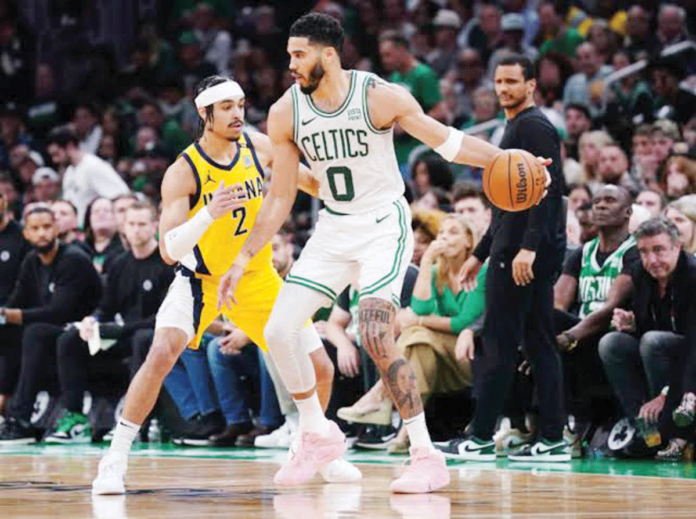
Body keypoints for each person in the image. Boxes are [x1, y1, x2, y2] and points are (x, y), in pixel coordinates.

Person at [217, 15, 545, 493]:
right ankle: (316, 433)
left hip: (381, 226)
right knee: (278, 328)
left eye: (298, 54)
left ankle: (425, 455)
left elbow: (448, 143)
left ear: (328, 55)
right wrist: (244, 257)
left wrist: (507, 161)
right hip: (332, 228)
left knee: (373, 330)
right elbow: (281, 195)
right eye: (289, 55)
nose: (289, 64)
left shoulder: (378, 96)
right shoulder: (286, 111)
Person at [92, 75, 358, 495]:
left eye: (241, 104)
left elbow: (306, 182)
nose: (238, 113)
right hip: (202, 280)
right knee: (161, 352)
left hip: (256, 276)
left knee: (321, 366)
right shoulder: (184, 171)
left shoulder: (258, 146)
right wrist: (207, 214)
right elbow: (167, 249)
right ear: (204, 113)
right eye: (228, 107)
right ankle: (115, 458)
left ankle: (313, 450)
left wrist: (354, 195)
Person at [451, 54, 568, 462]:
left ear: (531, 84)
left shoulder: (533, 126)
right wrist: (480, 253)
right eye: (498, 81)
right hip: (510, 250)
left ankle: (481, 436)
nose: (503, 89)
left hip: (522, 254)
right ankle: (552, 437)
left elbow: (549, 191)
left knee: (498, 343)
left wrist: (529, 247)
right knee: (538, 343)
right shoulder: (515, 125)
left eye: (512, 82)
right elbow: (506, 205)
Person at [0, 207, 102, 443]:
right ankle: (12, 412)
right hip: (55, 330)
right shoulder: (31, 261)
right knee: (9, 332)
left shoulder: (73, 259)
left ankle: (20, 419)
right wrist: (4, 315)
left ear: (56, 228)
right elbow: (17, 300)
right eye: (35, 229)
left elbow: (60, 312)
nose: (42, 233)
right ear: (26, 234)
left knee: (35, 332)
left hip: (85, 329)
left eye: (47, 227)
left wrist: (11, 315)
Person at [599, 218, 696, 461]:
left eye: (659, 250)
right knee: (611, 344)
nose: (651, 260)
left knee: (653, 341)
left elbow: (693, 345)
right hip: (659, 353)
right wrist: (632, 324)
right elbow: (649, 327)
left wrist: (664, 393)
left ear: (677, 247)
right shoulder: (642, 275)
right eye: (644, 251)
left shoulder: (693, 276)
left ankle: (666, 425)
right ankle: (645, 429)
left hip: (690, 363)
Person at [46, 126, 130, 226]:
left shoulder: (93, 166)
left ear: (70, 146)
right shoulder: (69, 172)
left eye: (56, 154)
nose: (55, 160)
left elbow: (122, 195)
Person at [0, 191, 31, 416]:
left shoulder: (22, 238)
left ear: (4, 201)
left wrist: (5, 311)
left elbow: (26, 286)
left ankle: (5, 403)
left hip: (14, 313)